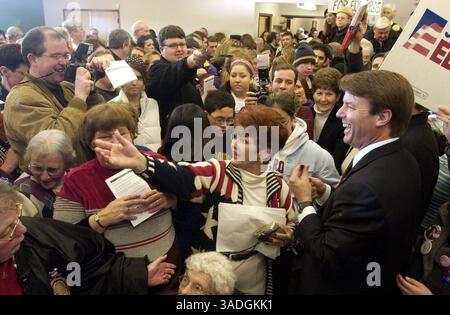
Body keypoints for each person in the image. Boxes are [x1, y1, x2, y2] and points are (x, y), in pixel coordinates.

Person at [93, 105, 296, 295]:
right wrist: (141, 162)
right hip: (206, 285)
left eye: (245, 140)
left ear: (267, 151)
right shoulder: (219, 171)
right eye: (236, 136)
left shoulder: (279, 187)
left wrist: (287, 237)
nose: (234, 143)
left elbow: (292, 228)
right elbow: (182, 176)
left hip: (255, 283)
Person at [288, 70, 422, 294]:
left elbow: (326, 255)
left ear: (382, 117)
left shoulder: (365, 187)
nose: (339, 113)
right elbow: (364, 223)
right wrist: (327, 194)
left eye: (350, 106)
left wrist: (304, 203)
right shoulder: (403, 158)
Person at [53, 104, 180, 293]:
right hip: (115, 279)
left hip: (168, 267)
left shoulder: (155, 161)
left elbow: (190, 201)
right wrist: (102, 218)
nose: (116, 142)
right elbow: (64, 239)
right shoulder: (76, 180)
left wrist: (172, 200)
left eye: (122, 134)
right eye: (105, 137)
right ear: (90, 142)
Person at [0, 182, 176, 295]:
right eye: (8, 229)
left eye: (18, 218)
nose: (22, 229)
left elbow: (82, 270)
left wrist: (135, 275)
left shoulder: (37, 232)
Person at [3, 27, 106, 170]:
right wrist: (80, 97)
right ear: (33, 59)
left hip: (82, 174)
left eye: (66, 56)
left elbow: (100, 123)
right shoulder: (21, 99)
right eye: (56, 56)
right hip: (51, 184)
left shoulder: (65, 87)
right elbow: (56, 146)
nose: (64, 62)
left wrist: (92, 90)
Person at [265, 92, 340, 187]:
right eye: (270, 121)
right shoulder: (261, 146)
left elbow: (334, 192)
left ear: (293, 117)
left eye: (282, 121)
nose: (276, 126)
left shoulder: (317, 154)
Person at [146, 25, 205, 134]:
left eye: (182, 44)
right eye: (173, 46)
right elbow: (174, 74)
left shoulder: (186, 69)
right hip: (173, 135)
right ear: (161, 49)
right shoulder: (157, 69)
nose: (179, 49)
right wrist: (190, 62)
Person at [15, 130, 75, 218]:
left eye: (52, 170)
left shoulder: (78, 178)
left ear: (67, 164)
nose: (44, 177)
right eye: (37, 168)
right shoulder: (22, 193)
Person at [111, 55, 161, 152]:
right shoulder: (112, 106)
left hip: (154, 159)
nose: (134, 83)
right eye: (129, 78)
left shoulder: (153, 104)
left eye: (138, 78)